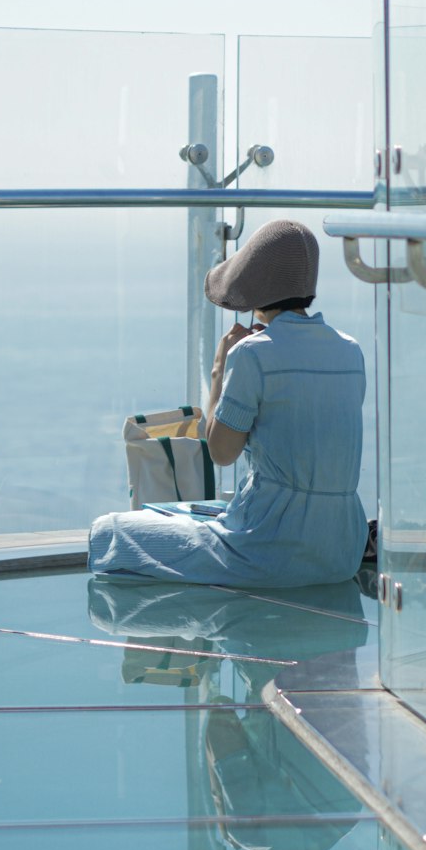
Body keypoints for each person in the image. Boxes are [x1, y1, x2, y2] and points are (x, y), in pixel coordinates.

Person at [87, 218, 368, 588]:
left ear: (254, 286)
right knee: (189, 515)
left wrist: (221, 368)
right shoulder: (350, 351)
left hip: (268, 549)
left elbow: (221, 452)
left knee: (109, 533)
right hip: (341, 550)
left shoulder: (252, 355)